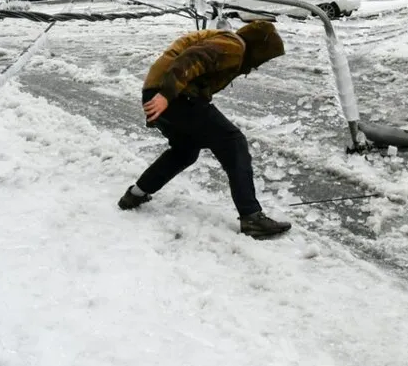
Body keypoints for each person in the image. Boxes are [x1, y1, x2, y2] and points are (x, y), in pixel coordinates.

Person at [118, 20, 292, 239]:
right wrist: (166, 95)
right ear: (257, 48)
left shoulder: (228, 42)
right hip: (174, 94)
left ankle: (135, 194)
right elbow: (192, 58)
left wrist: (163, 95)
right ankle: (252, 217)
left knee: (185, 150)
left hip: (160, 92)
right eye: (263, 58)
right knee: (233, 141)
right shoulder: (234, 46)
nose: (258, 65)